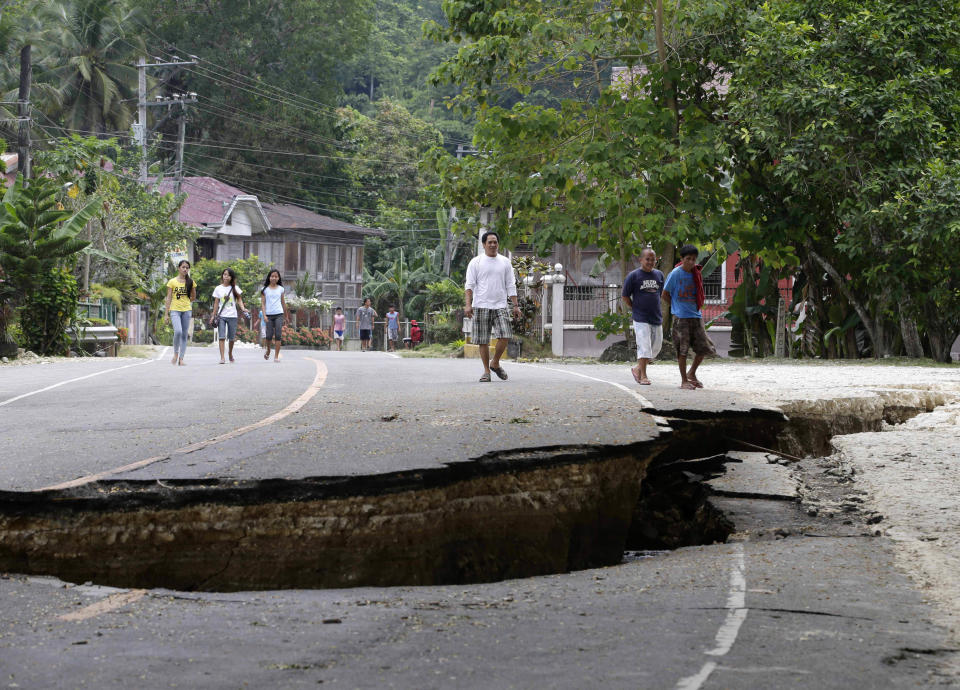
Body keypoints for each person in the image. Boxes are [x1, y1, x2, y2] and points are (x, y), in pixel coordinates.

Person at [464, 231, 522, 382]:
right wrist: (468, 305)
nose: (492, 244)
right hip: (481, 305)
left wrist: (515, 306)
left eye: (495, 242)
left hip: (500, 306)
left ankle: (495, 362)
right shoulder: (475, 262)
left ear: (498, 244)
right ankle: (486, 371)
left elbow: (511, 285)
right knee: (483, 340)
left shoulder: (505, 262)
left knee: (505, 335)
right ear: (484, 245)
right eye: (489, 242)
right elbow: (469, 285)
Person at [662, 244, 716, 389]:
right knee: (683, 350)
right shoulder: (675, 274)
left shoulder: (696, 274)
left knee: (704, 348)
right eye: (688, 259)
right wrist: (675, 307)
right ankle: (684, 381)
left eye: (693, 259)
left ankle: (692, 373)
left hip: (696, 316)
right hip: (681, 318)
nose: (691, 262)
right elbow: (665, 294)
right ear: (682, 259)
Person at [622, 247, 664, 385]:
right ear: (640, 260)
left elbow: (660, 293)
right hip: (640, 317)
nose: (650, 262)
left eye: (653, 259)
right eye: (647, 259)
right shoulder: (633, 276)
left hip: (656, 316)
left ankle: (637, 368)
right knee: (644, 347)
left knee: (656, 347)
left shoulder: (659, 275)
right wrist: (634, 307)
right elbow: (625, 296)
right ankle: (643, 376)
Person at [210, 268, 248, 364]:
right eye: (224, 274)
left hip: (232, 316)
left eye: (228, 275)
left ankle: (230, 353)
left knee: (231, 338)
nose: (226, 276)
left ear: (231, 277)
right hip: (221, 316)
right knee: (221, 336)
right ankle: (222, 357)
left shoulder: (235, 288)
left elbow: (239, 299)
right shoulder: (218, 288)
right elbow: (216, 304)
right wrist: (212, 316)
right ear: (222, 276)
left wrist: (243, 308)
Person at [164, 259, 196, 366]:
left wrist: (186, 302)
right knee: (178, 331)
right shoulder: (172, 282)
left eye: (187, 267)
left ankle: (181, 359)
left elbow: (193, 296)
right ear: (179, 268)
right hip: (175, 310)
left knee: (184, 334)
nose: (185, 269)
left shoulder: (191, 282)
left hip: (186, 310)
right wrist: (166, 314)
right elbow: (168, 298)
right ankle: (175, 354)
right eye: (183, 267)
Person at [259, 269, 288, 362]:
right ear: (269, 277)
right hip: (269, 315)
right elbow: (263, 304)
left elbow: (283, 303)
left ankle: (276, 356)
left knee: (278, 335)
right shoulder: (264, 290)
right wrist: (264, 315)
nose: (274, 278)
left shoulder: (281, 289)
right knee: (269, 336)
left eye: (276, 276)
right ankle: (268, 350)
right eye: (272, 276)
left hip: (279, 314)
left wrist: (286, 316)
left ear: (278, 278)